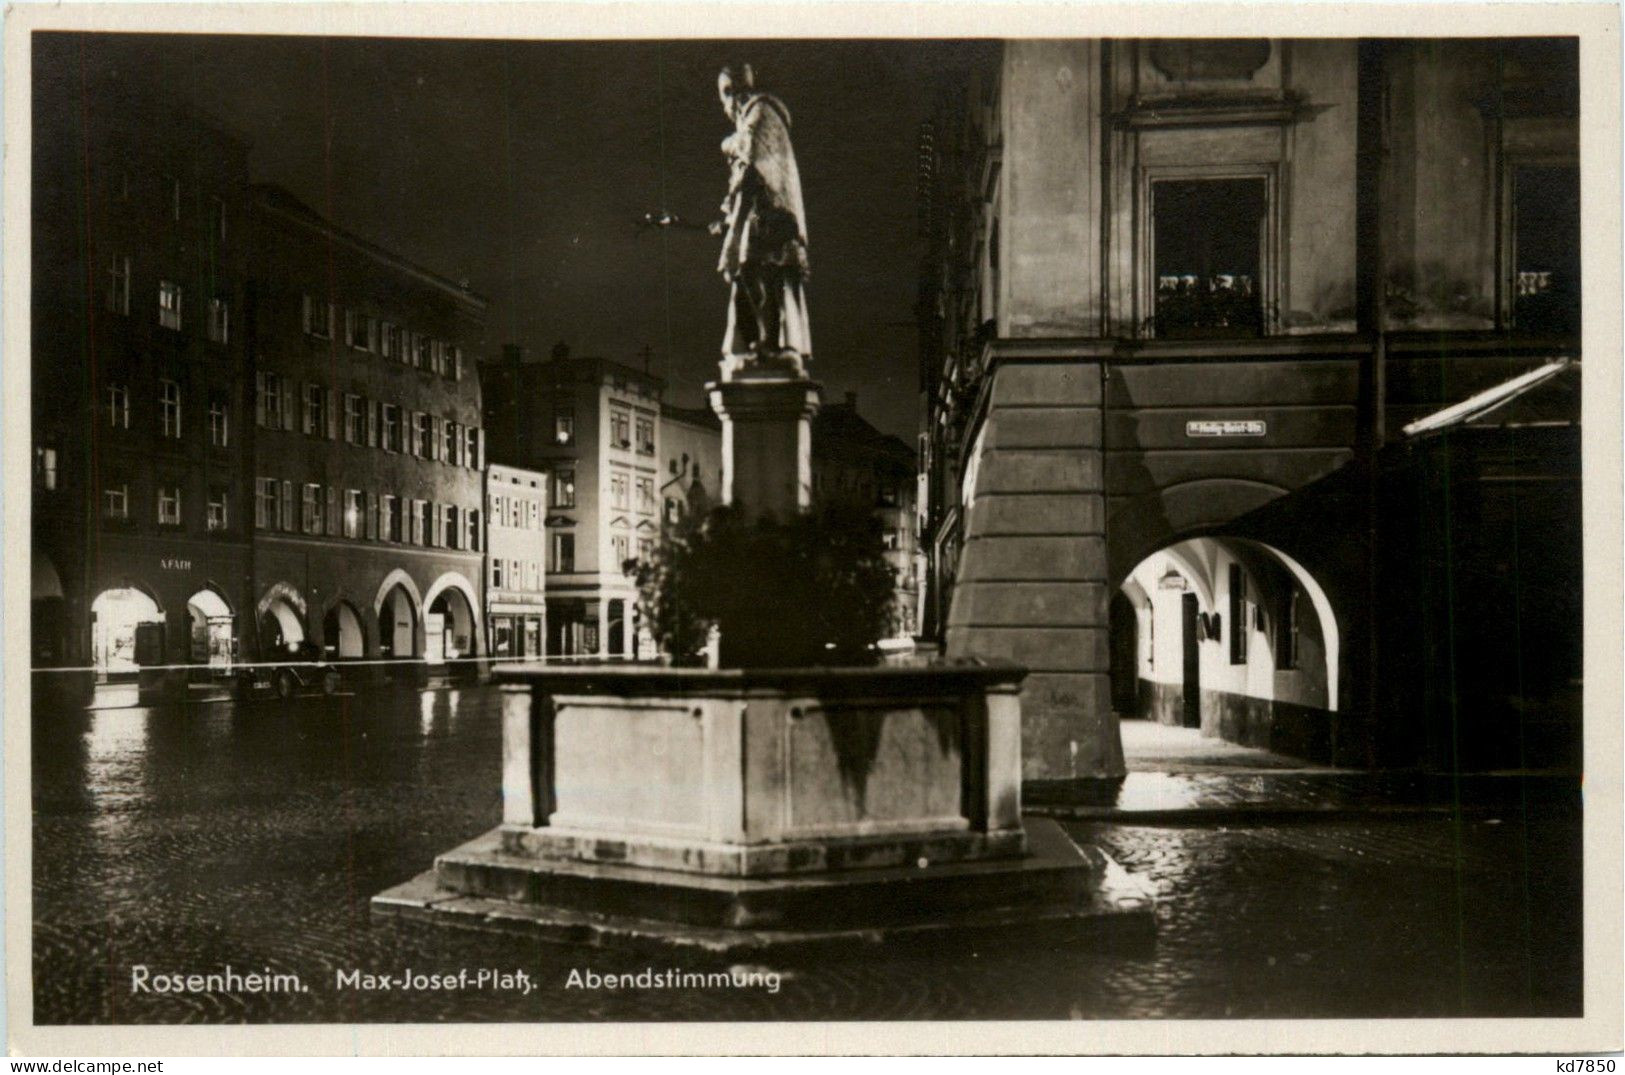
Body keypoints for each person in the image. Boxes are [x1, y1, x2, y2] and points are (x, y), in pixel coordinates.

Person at [711, 63, 812, 371]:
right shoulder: (757, 120)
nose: (725, 105)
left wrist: (732, 234)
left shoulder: (759, 116)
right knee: (754, 274)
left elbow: (752, 174)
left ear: (735, 92)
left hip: (771, 218)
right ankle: (762, 345)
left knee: (753, 269)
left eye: (726, 95)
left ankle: (772, 345)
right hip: (764, 216)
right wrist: (728, 222)